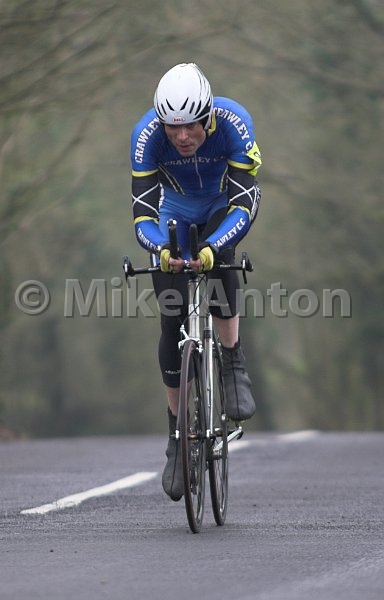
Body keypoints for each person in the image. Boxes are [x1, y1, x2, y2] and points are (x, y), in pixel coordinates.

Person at [130, 63, 262, 502]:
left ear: (208, 116)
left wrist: (211, 248)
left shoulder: (235, 122)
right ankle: (176, 434)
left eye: (190, 126)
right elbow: (143, 216)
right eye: (173, 127)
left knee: (222, 262)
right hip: (173, 215)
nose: (182, 137)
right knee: (171, 318)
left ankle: (232, 360)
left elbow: (244, 204)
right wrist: (162, 250)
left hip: (224, 208)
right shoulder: (146, 137)